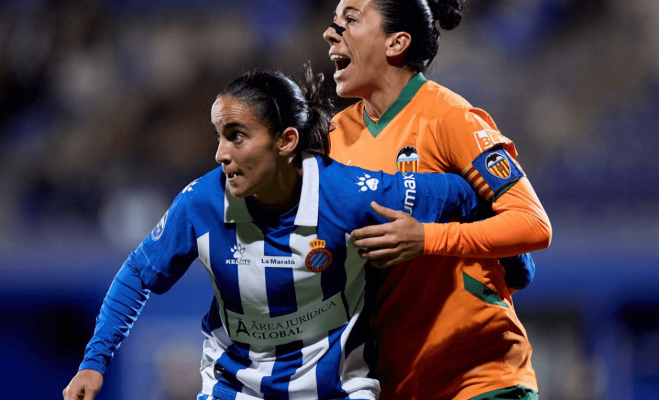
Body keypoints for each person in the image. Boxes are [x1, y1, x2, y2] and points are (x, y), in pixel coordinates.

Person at [63, 65, 492, 400]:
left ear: (286, 141)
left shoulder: (349, 195)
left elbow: (465, 192)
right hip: (235, 389)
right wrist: (94, 361)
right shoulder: (201, 203)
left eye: (236, 137)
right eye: (218, 137)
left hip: (338, 390)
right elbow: (138, 273)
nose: (220, 154)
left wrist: (509, 258)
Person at [322, 0, 552, 400]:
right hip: (397, 385)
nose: (330, 33)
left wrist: (426, 238)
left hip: (481, 380)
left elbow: (533, 224)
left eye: (350, 20)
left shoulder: (450, 118)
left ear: (396, 43)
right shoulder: (334, 139)